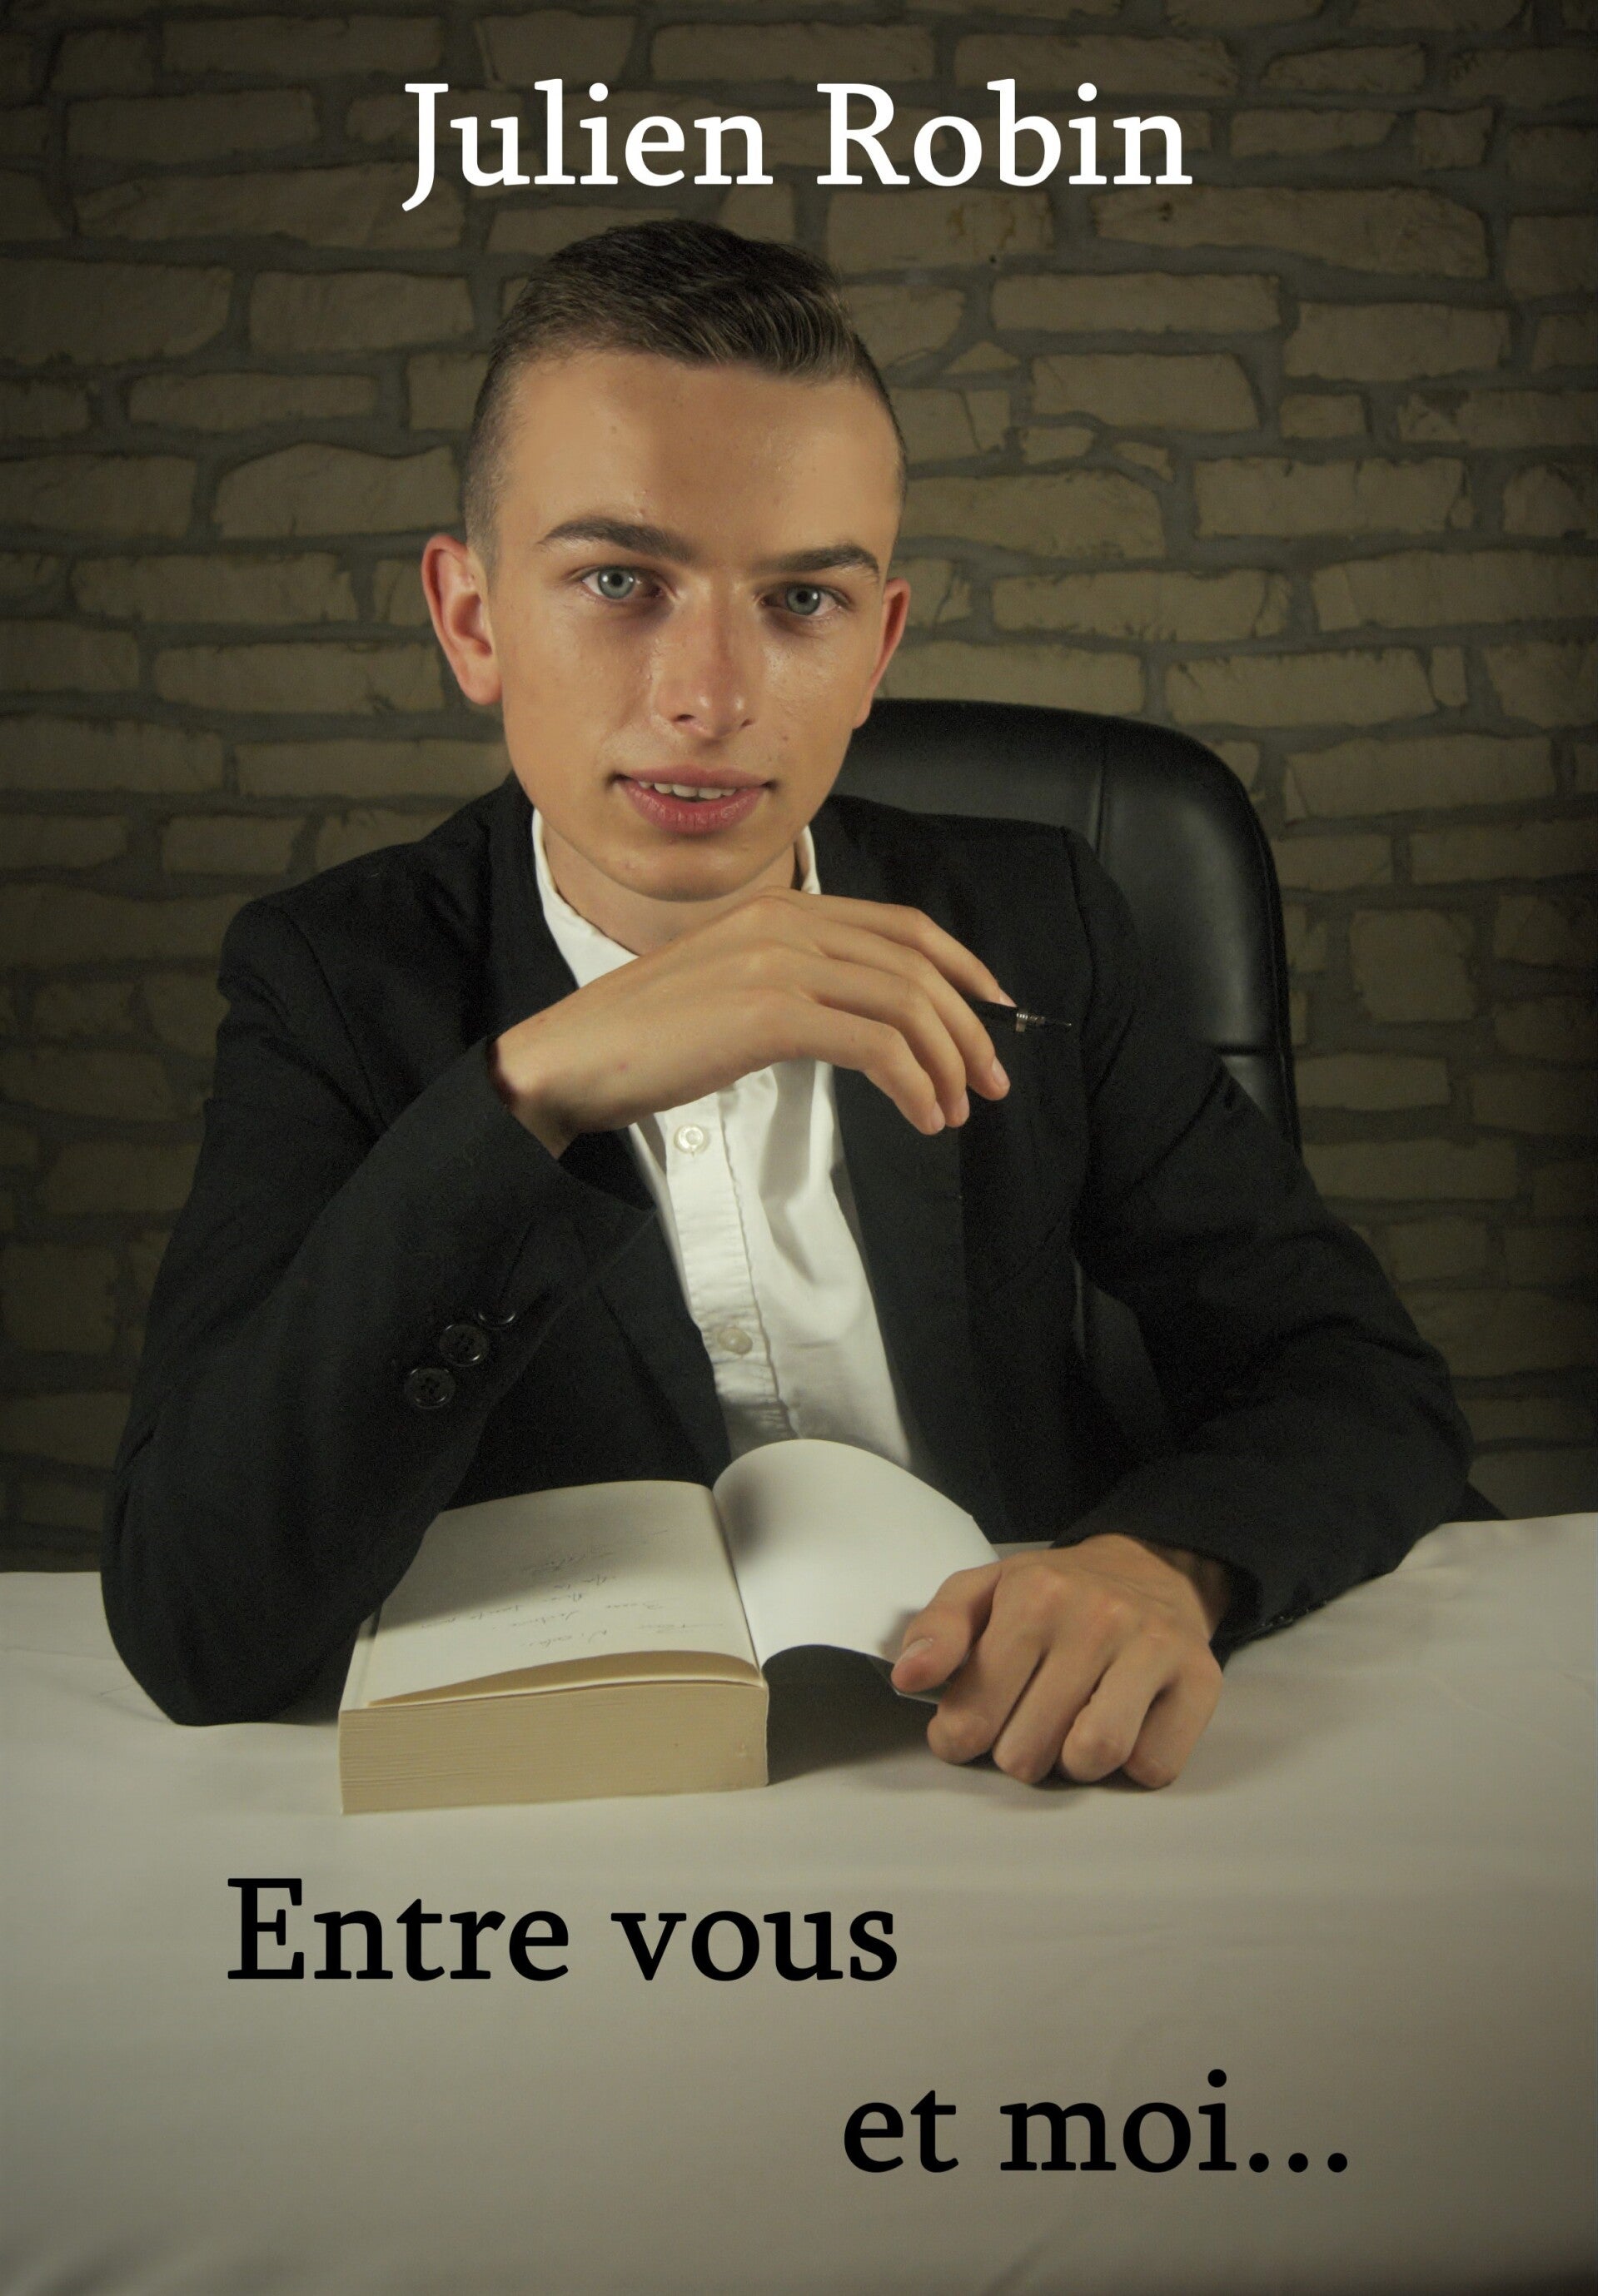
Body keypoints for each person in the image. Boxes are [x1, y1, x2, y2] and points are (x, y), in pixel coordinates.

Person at [102, 221, 1476, 1784]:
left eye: (803, 601)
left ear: (878, 642)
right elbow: (194, 1619)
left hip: (1022, 1775)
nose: (712, 695)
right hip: (581, 1823)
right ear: (472, 619)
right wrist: (530, 1092)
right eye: (619, 580)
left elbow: (1362, 1377)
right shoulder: (332, 980)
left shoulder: (1038, 926)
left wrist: (1166, 1564)